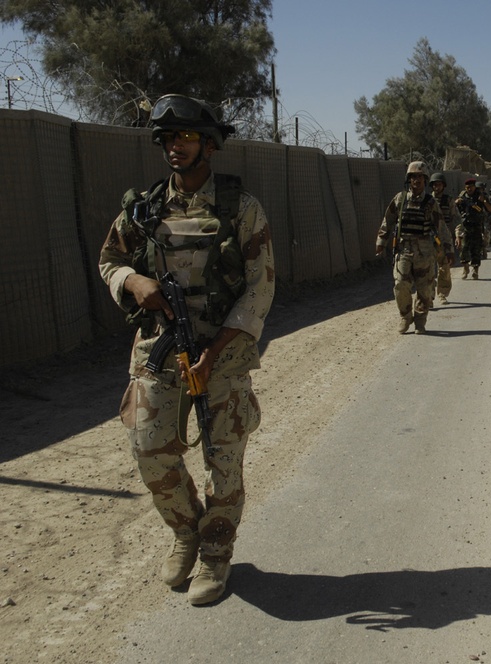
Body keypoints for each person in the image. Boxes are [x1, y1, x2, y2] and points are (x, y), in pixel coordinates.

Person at [98, 94, 275, 605]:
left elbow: (260, 287)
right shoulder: (143, 208)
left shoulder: (241, 208)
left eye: (187, 138)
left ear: (209, 145)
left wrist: (215, 351)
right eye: (169, 139)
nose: (176, 147)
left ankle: (216, 554)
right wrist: (134, 281)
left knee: (225, 460)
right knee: (150, 451)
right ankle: (185, 532)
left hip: (223, 355)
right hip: (160, 349)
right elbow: (110, 259)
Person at [376, 162, 453, 333]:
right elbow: (388, 221)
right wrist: (381, 241)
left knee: (424, 288)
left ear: (425, 180)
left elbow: (441, 227)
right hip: (403, 249)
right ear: (408, 180)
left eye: (419, 177)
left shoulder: (430, 202)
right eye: (413, 177)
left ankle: (420, 320)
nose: (416, 180)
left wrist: (448, 249)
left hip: (425, 250)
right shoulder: (400, 199)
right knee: (401, 284)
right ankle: (405, 316)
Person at [430, 172, 459, 306]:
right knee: (427, 268)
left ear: (443, 185)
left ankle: (442, 294)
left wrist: (457, 234)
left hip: (444, 237)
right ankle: (428, 296)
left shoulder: (448, 200)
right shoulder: (427, 200)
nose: (437, 187)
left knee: (444, 267)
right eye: (435, 185)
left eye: (439, 184)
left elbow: (455, 218)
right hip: (430, 238)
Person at [455, 177, 491, 280]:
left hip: (477, 226)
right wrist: (456, 203)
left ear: (474, 187)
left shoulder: (481, 196)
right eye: (467, 187)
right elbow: (455, 211)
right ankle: (465, 268)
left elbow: (490, 209)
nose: (469, 189)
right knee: (463, 248)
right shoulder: (462, 197)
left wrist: (484, 201)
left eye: (471, 187)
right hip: (465, 226)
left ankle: (475, 270)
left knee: (476, 249)